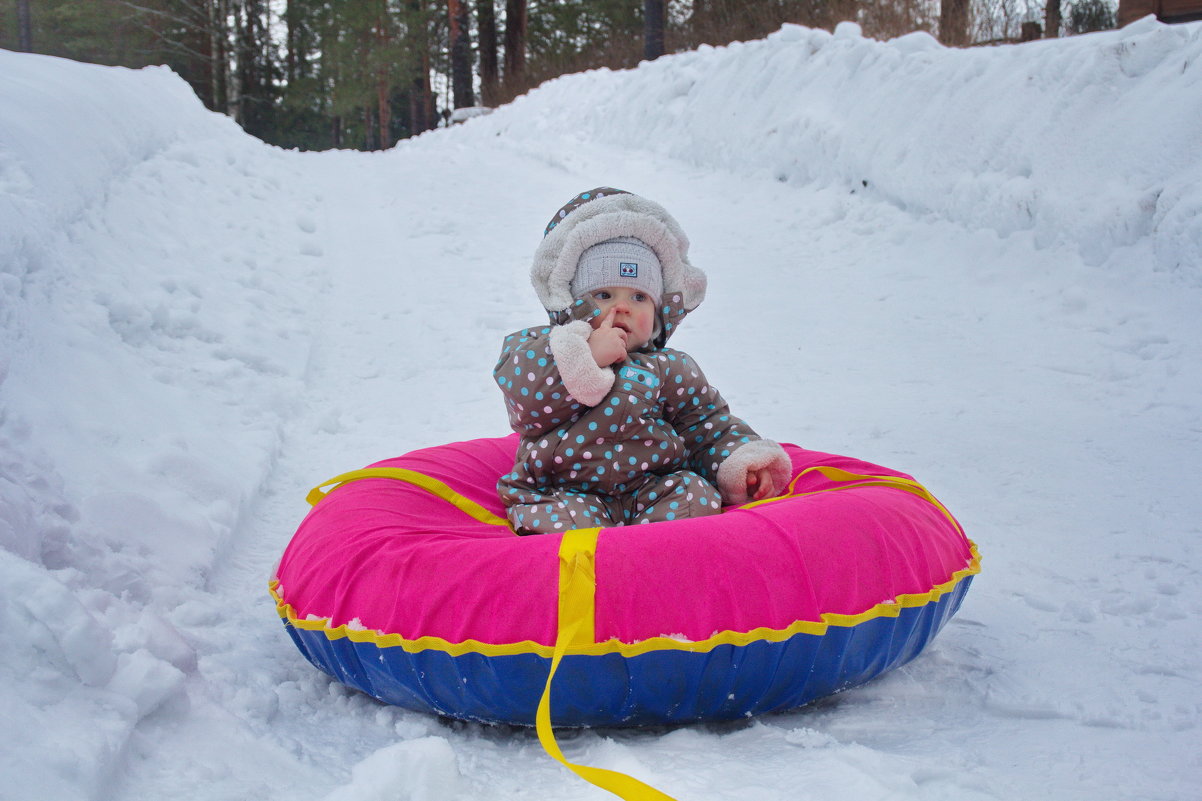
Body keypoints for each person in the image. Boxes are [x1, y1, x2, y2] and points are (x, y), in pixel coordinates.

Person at [494, 187, 791, 535]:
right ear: (572, 303)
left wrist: (738, 461)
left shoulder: (671, 368)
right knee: (566, 524)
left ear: (659, 310)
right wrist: (584, 357)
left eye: (638, 296)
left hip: (650, 490)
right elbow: (526, 402)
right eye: (603, 295)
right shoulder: (544, 349)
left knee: (694, 497)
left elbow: (705, 426)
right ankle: (595, 571)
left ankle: (661, 568)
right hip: (563, 490)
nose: (622, 308)